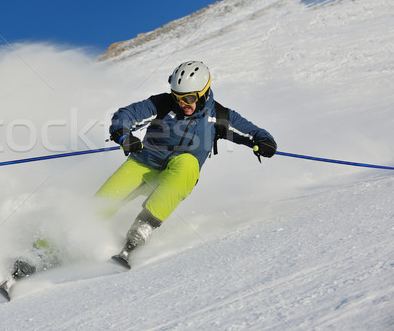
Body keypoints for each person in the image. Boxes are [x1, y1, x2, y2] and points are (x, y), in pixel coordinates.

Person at [95, 60, 277, 265]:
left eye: (189, 98)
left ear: (203, 93)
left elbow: (253, 132)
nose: (182, 103)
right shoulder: (162, 104)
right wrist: (123, 135)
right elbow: (127, 115)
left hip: (177, 175)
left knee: (188, 163)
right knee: (98, 207)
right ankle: (58, 246)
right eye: (177, 97)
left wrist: (265, 142)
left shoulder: (219, 117)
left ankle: (143, 228)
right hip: (143, 164)